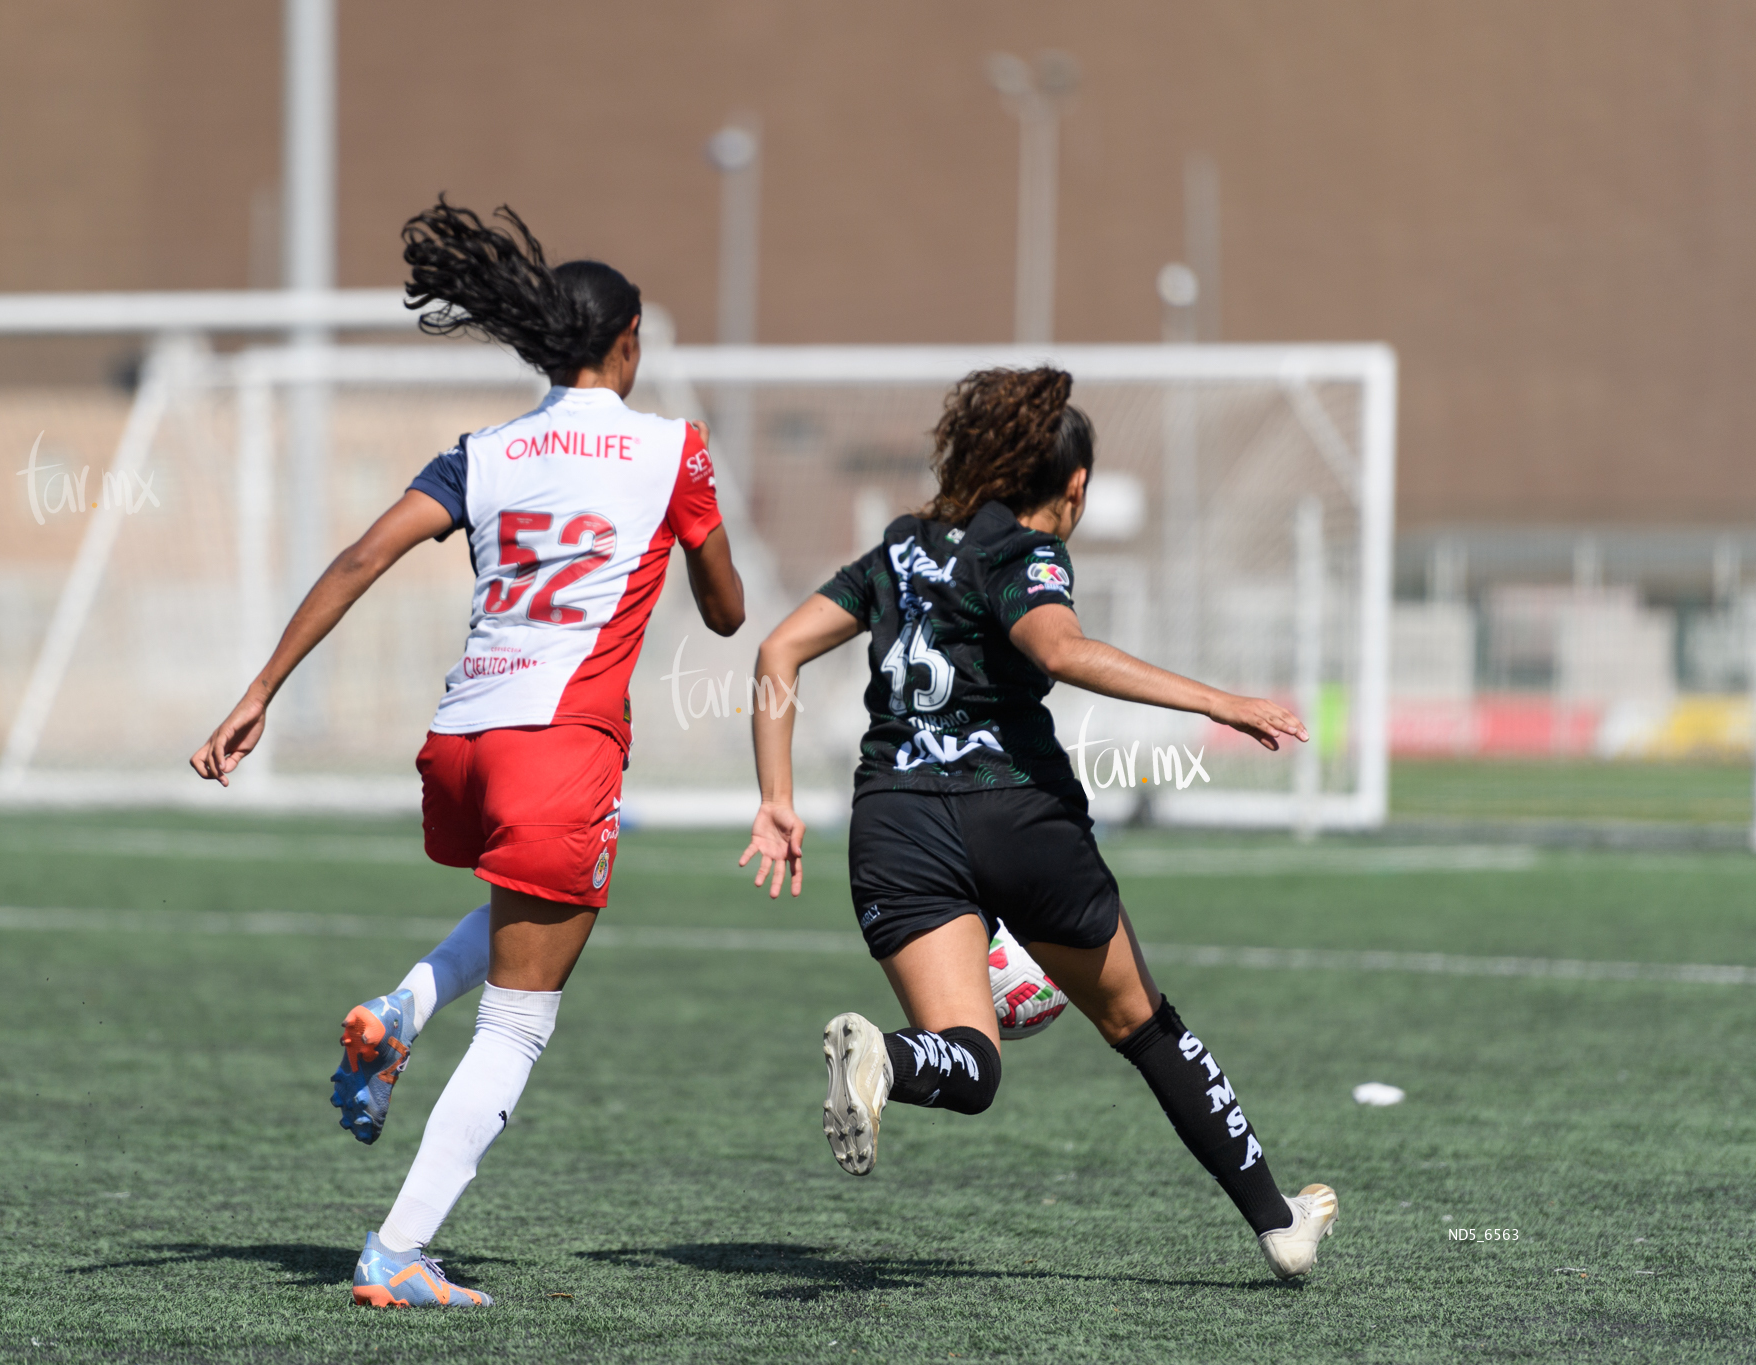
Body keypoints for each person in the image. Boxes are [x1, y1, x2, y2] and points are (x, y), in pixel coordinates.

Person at [191, 199, 744, 1308]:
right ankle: (396, 1251)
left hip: (462, 740)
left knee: (524, 902)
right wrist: (694, 545)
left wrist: (258, 692)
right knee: (520, 1021)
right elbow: (726, 613)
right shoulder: (671, 448)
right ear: (628, 341)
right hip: (560, 741)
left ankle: (399, 1010)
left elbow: (357, 557)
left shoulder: (481, 453)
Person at [739, 366, 1339, 1280]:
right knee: (1145, 1026)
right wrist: (1220, 701)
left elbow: (778, 648)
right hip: (1017, 812)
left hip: (894, 821)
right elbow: (1060, 649)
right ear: (1075, 487)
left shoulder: (901, 547)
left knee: (970, 1064)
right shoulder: (1026, 546)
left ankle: (892, 1064)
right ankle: (1278, 1221)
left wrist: (776, 797)